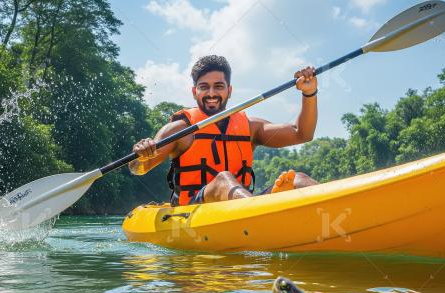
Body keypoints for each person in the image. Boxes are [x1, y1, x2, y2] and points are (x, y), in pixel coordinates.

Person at [130, 55, 319, 205]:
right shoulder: (179, 130)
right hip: (193, 212)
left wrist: (309, 92)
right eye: (204, 87)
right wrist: (141, 157)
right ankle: (256, 214)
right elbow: (138, 168)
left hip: (238, 208)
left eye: (218, 86)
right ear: (195, 91)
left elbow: (301, 133)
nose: (211, 93)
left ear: (229, 90)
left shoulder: (250, 127)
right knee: (223, 179)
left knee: (298, 179)